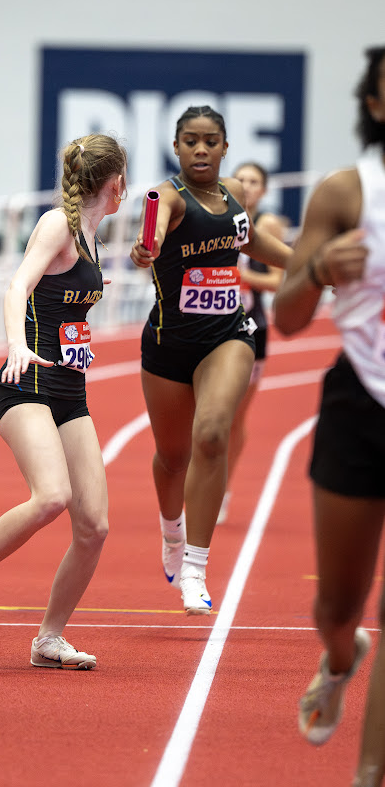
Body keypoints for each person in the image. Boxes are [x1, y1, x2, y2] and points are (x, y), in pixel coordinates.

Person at [0, 133, 127, 670]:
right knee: (51, 496)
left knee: (95, 526)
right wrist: (16, 343)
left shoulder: (92, 236)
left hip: (69, 393)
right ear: (118, 183)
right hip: (26, 384)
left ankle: (49, 639)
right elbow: (17, 286)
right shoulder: (56, 224)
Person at [273, 47, 385, 787]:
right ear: (374, 104)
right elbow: (284, 318)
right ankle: (340, 655)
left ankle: (369, 772)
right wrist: (315, 270)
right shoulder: (347, 193)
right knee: (336, 604)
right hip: (361, 406)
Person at [130, 106, 291, 615]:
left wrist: (307, 262)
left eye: (211, 141)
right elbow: (151, 236)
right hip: (169, 343)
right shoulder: (164, 197)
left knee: (214, 432)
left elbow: (252, 242)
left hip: (228, 335)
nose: (201, 150)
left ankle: (196, 568)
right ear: (175, 148)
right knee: (173, 457)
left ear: (225, 147)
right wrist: (145, 250)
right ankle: (172, 531)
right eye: (191, 142)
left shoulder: (237, 196)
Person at [217, 161, 287, 524]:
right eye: (241, 178)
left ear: (263, 189)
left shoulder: (269, 226)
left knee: (234, 417)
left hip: (252, 328)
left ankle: (223, 488)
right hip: (212, 327)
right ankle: (208, 482)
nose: (246, 184)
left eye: (254, 180)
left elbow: (280, 280)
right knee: (209, 412)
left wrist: (241, 276)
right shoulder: (217, 216)